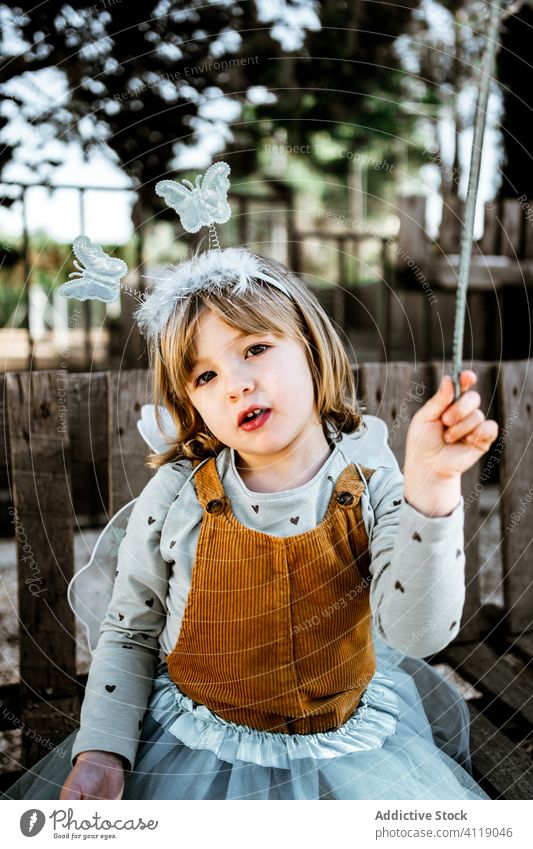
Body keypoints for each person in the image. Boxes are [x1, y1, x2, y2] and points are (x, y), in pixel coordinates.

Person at [3, 165, 499, 801]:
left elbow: (417, 634)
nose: (235, 381)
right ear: (192, 403)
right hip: (195, 745)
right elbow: (130, 630)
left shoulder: (372, 481)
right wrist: (102, 750)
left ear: (313, 352)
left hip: (341, 749)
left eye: (255, 348)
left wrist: (432, 487)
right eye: (204, 377)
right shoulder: (178, 497)